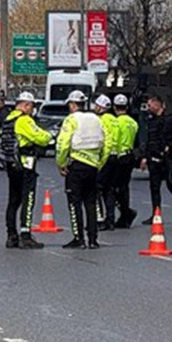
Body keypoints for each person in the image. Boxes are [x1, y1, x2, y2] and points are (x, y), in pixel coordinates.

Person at [55, 90, 105, 249]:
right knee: (91, 203)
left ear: (72, 104)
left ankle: (79, 238)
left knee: (74, 203)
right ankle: (93, 239)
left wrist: (61, 164)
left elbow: (62, 144)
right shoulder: (96, 119)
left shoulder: (71, 120)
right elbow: (107, 143)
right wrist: (99, 163)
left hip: (76, 166)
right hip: (93, 167)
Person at [0, 91, 48, 249]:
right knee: (28, 199)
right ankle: (25, 235)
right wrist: (49, 137)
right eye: (32, 106)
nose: (32, 110)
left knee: (13, 200)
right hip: (25, 164)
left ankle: (11, 235)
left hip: (10, 164)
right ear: (26, 105)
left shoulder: (8, 119)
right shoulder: (24, 120)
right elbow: (40, 137)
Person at [140, 95, 172, 226]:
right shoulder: (151, 121)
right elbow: (149, 141)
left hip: (170, 158)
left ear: (157, 105)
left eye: (150, 105)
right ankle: (156, 214)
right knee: (154, 187)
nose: (148, 108)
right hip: (154, 157)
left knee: (171, 184)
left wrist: (169, 147)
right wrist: (145, 157)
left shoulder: (170, 120)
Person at [110, 94, 139, 228]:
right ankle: (125, 214)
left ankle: (125, 212)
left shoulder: (116, 122)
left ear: (115, 107)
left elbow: (114, 140)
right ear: (126, 107)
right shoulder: (133, 122)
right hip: (129, 156)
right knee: (124, 187)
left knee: (112, 187)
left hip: (119, 157)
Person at [91, 95, 119, 230]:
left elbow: (100, 139)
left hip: (105, 156)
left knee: (96, 189)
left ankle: (99, 219)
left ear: (100, 107)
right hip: (116, 157)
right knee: (110, 189)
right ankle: (111, 219)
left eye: (96, 105)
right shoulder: (115, 120)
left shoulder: (100, 120)